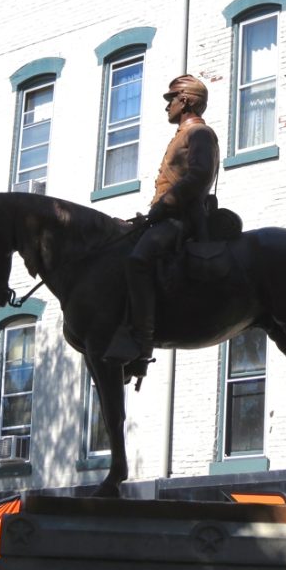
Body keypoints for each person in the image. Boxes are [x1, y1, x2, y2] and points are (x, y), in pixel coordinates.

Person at [105, 74, 220, 370]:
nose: (166, 106)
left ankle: (141, 343)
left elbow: (199, 176)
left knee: (138, 260)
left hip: (182, 220)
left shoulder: (199, 134)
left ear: (185, 101)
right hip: (165, 217)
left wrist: (164, 206)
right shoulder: (183, 135)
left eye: (171, 99)